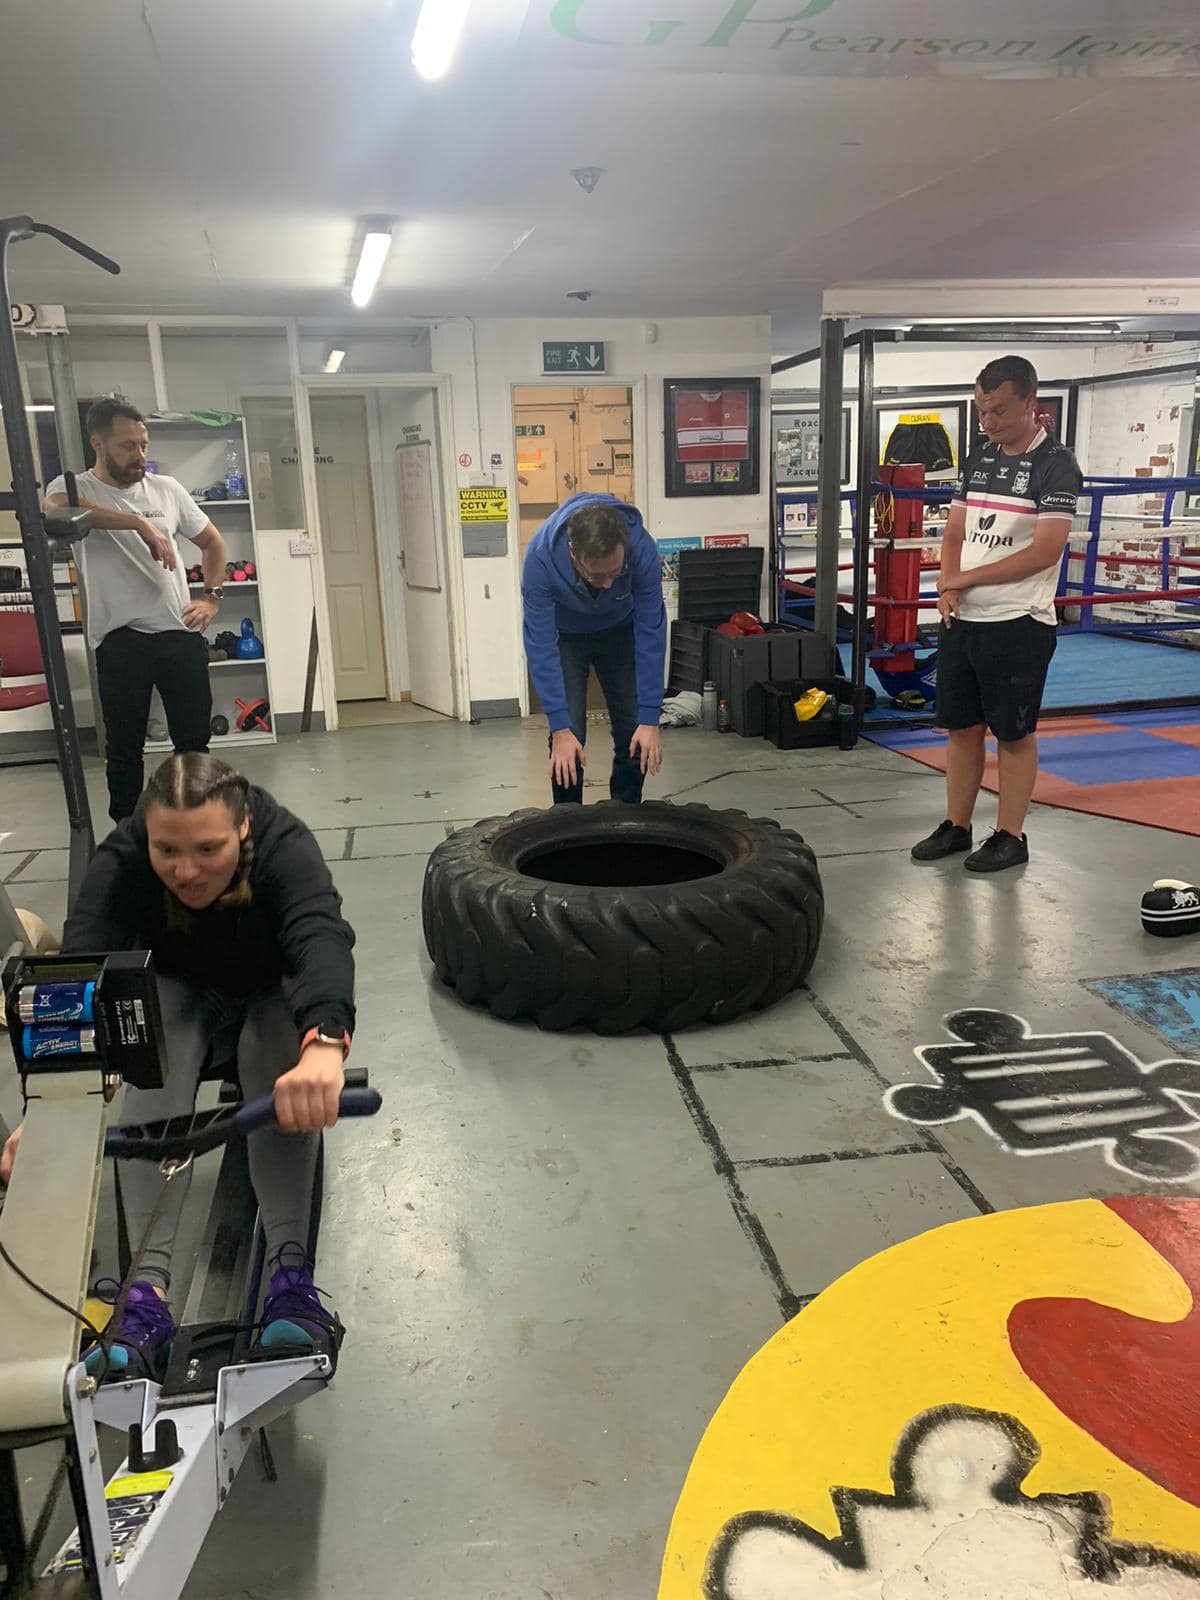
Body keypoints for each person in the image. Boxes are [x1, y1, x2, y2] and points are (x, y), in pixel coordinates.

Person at [1, 753, 356, 1379]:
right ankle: (144, 1294)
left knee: (274, 1049)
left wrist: (325, 1045)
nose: (185, 871)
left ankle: (291, 1280)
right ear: (147, 833)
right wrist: (55, 1108)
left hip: (267, 996)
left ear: (242, 827)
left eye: (207, 849)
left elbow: (318, 935)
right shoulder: (124, 858)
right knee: (152, 1035)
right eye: (166, 851)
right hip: (182, 997)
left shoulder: (283, 844)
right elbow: (80, 966)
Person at [911, 356, 1082, 873]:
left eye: (1000, 410)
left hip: (1019, 619)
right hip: (965, 618)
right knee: (962, 727)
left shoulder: (1056, 464)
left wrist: (964, 579)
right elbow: (955, 530)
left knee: (1013, 733)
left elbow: (1045, 551)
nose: (989, 422)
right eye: (982, 411)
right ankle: (957, 825)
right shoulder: (979, 457)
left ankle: (1011, 834)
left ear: (1031, 402)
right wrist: (948, 582)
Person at [44, 398, 228, 822]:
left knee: (194, 745)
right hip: (120, 640)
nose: (140, 455)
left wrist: (211, 598)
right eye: (128, 446)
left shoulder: (167, 489)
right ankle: (127, 833)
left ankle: (193, 824)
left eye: (143, 445)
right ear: (98, 443)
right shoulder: (76, 489)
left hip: (179, 632)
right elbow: (53, 509)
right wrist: (138, 523)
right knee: (125, 749)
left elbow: (213, 543)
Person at [522, 493, 666, 804]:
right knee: (569, 735)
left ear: (625, 547)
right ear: (572, 552)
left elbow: (651, 631)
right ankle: (568, 817)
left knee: (633, 727)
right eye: (596, 576)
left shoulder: (642, 550)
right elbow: (540, 644)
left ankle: (626, 813)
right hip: (567, 637)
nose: (608, 585)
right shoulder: (540, 558)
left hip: (621, 630)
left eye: (615, 573)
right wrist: (559, 727)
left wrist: (650, 717)